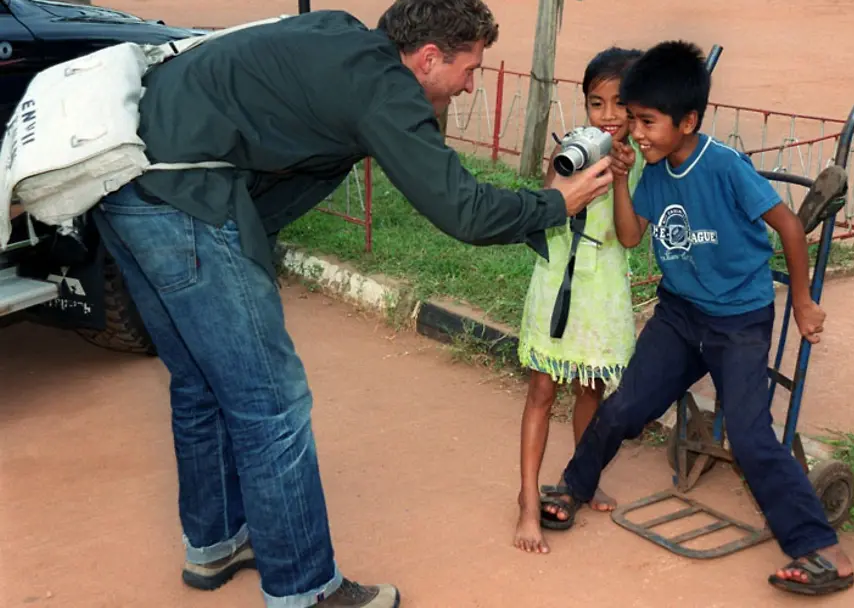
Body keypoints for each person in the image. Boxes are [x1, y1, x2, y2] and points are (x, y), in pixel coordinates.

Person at [89, 2, 614, 607]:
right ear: (428, 58)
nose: (472, 84)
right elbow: (463, 210)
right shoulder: (381, 88)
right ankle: (307, 591)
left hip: (128, 181)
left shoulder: (341, 35)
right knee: (271, 405)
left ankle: (215, 543)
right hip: (188, 200)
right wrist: (558, 202)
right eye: (469, 69)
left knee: (200, 382)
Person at [538, 41, 854, 597]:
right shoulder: (654, 170)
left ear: (688, 121)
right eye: (632, 119)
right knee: (623, 408)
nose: (635, 132)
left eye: (646, 121)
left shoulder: (725, 167)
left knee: (753, 437)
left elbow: (786, 226)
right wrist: (619, 178)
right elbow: (634, 236)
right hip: (680, 316)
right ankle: (572, 486)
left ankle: (822, 549)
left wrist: (802, 300)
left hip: (738, 321)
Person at [513, 47, 644, 555]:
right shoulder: (571, 149)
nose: (608, 116)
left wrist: (625, 178)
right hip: (554, 286)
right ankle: (528, 503)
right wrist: (566, 169)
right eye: (596, 103)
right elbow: (544, 212)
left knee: (590, 391)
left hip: (601, 290)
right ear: (584, 104)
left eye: (620, 105)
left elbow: (630, 238)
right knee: (541, 395)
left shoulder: (640, 163)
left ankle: (582, 479)